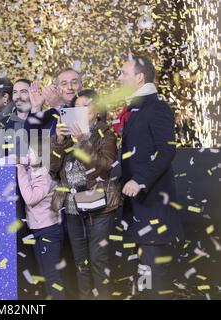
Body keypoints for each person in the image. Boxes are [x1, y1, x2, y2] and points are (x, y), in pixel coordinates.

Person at [117, 55, 183, 299]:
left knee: (154, 278)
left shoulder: (157, 107)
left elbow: (167, 149)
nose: (119, 77)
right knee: (143, 277)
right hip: (137, 211)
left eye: (124, 73)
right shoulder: (135, 108)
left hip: (152, 210)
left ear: (139, 77)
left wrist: (140, 179)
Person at [50, 89, 122, 299]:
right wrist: (59, 140)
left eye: (86, 105)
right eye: (78, 106)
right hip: (73, 206)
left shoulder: (106, 133)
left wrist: (83, 142)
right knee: (81, 262)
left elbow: (104, 167)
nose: (82, 110)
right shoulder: (67, 133)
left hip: (99, 205)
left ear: (97, 109)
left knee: (98, 260)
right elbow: (52, 168)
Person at [17, 143, 65, 300]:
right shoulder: (35, 170)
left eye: (30, 154)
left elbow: (30, 198)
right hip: (39, 229)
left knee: (51, 276)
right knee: (45, 275)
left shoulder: (45, 175)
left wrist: (20, 170)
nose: (28, 157)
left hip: (49, 230)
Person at [24, 68, 83, 137]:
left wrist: (59, 105)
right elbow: (29, 138)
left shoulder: (90, 107)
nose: (69, 87)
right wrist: (36, 107)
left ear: (82, 85)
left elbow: (77, 135)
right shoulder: (51, 113)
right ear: (57, 88)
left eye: (74, 83)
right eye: (64, 84)